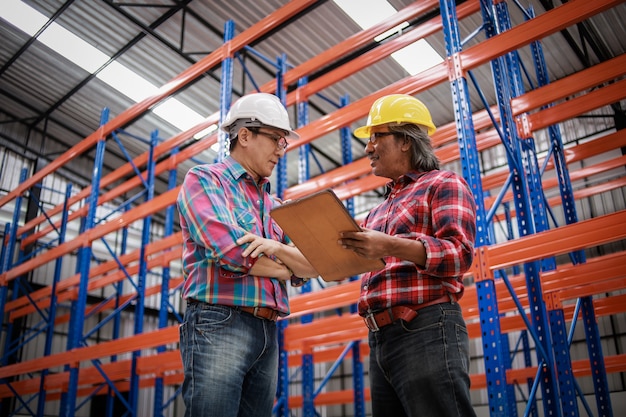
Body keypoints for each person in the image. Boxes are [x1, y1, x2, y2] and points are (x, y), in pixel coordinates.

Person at [176, 92, 318, 417]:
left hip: (269, 330)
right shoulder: (205, 180)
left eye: (285, 142)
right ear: (244, 135)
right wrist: (287, 267)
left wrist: (282, 253)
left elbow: (313, 264)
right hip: (220, 321)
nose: (282, 149)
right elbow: (228, 251)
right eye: (276, 139)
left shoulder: (276, 206)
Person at [339, 94, 477, 417]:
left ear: (405, 140)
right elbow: (344, 255)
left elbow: (459, 255)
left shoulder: (442, 184)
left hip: (426, 329)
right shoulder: (378, 212)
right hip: (380, 340)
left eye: (376, 136)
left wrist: (389, 246)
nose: (367, 148)